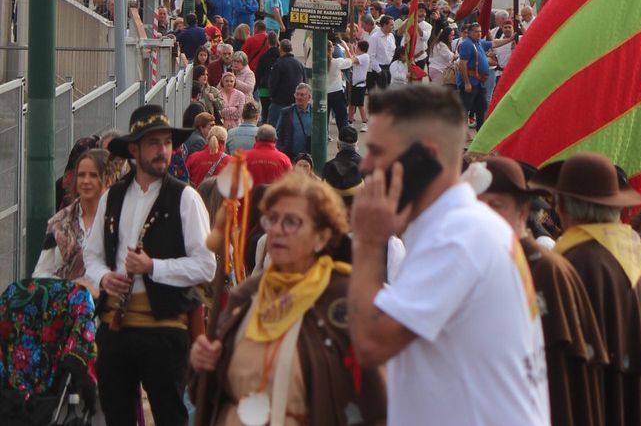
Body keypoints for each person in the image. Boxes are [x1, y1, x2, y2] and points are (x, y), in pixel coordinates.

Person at [348, 83, 550, 423]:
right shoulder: (460, 227)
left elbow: (370, 342)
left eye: (378, 152)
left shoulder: (457, 235)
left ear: (428, 157)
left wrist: (369, 242)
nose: (365, 166)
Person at [190, 170, 386, 425]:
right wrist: (204, 364)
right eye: (272, 220)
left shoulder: (343, 301)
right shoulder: (247, 296)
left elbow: (373, 402)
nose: (277, 230)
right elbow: (204, 394)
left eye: (291, 222)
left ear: (322, 236)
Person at [83, 104, 215, 426]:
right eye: (154, 143)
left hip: (165, 330)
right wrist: (104, 278)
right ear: (134, 149)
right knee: (118, 417)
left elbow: (206, 266)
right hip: (115, 328)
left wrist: (153, 266)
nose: (163, 151)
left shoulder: (186, 198)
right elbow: (92, 255)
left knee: (170, 416)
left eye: (167, 143)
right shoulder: (111, 197)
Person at [479, 154, 607, 426]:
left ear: (522, 213)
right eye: (477, 206)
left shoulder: (547, 268)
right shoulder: (476, 261)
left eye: (495, 206)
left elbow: (565, 367)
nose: (484, 216)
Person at [545, 152, 641, 426]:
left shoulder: (576, 261)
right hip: (625, 396)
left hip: (588, 402)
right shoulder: (628, 250)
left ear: (564, 208)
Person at [34, 147, 112, 294]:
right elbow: (40, 274)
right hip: (68, 307)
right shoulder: (58, 223)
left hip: (109, 308)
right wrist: (72, 287)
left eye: (93, 175)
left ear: (107, 180)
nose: (86, 181)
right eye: (81, 175)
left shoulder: (120, 219)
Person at [455, 19, 492, 131]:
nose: (479, 34)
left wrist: (509, 39)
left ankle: (479, 136)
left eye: (480, 31)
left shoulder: (479, 42)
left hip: (479, 83)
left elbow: (494, 43)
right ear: (470, 32)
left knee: (481, 109)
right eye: (476, 31)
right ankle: (461, 135)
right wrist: (466, 83)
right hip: (471, 82)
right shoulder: (467, 44)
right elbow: (463, 64)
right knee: (465, 109)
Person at [268, 38, 307, 121]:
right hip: (295, 101)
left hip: (279, 101)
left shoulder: (278, 63)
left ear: (280, 49)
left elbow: (273, 83)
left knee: (273, 127)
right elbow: (304, 82)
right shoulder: (299, 63)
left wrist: (272, 96)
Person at [275, 83, 314, 160]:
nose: (299, 97)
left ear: (309, 97)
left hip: (310, 158)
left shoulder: (315, 113)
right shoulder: (286, 112)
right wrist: (281, 151)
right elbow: (278, 134)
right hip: (290, 157)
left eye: (302, 95)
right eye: (297, 94)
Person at [368, 16, 398, 90]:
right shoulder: (375, 37)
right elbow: (371, 56)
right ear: (384, 25)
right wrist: (379, 71)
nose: (393, 27)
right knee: (383, 93)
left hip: (390, 67)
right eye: (391, 25)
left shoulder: (391, 36)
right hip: (380, 68)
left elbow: (393, 52)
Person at [351, 40, 371, 128]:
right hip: (355, 84)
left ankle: (364, 123)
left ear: (359, 48)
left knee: (360, 105)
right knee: (352, 104)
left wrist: (350, 49)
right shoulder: (360, 56)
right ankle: (350, 121)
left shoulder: (364, 56)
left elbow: (353, 60)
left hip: (360, 85)